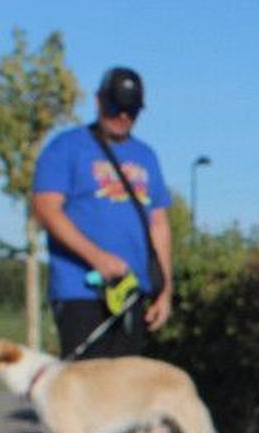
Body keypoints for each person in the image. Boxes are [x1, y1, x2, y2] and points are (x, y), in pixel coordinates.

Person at [32, 67, 173, 359]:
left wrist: (165, 289)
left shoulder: (146, 156)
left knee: (125, 393)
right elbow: (46, 209)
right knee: (87, 393)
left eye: (131, 111)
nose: (123, 117)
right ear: (98, 102)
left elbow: (158, 223)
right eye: (116, 107)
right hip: (81, 289)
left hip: (130, 290)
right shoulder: (66, 147)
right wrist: (97, 258)